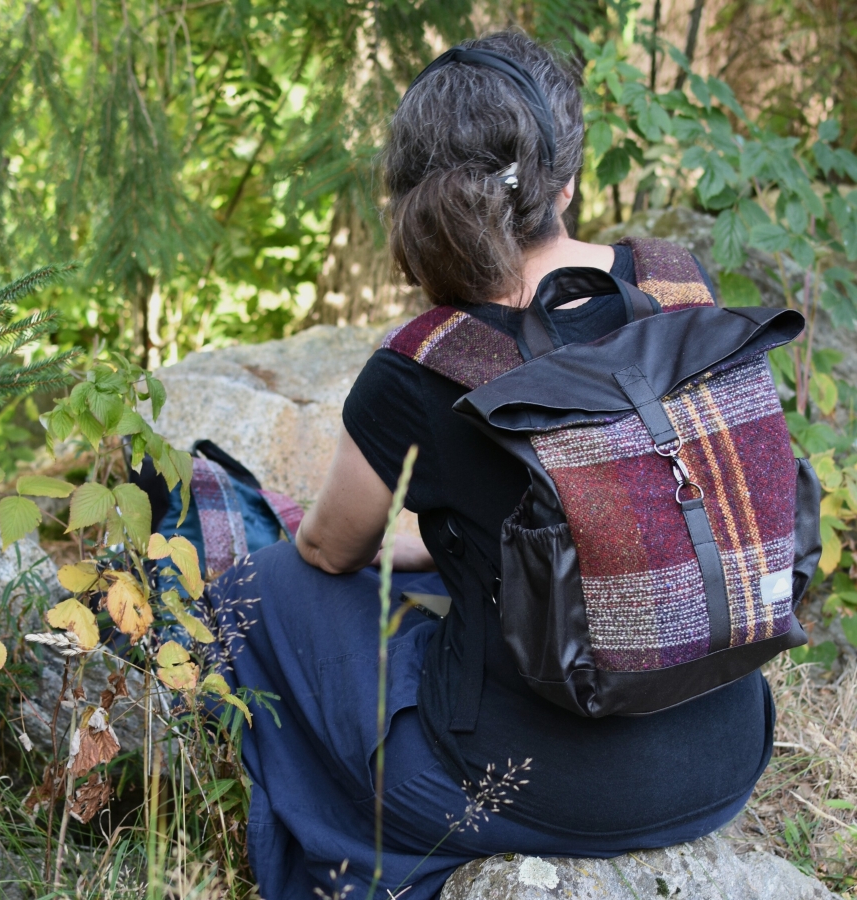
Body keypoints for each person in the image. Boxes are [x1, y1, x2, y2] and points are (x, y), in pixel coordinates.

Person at [204, 30, 775, 900]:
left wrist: (393, 544)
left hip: (533, 790)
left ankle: (344, 847)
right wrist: (435, 548)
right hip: (729, 756)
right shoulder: (677, 286)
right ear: (566, 178)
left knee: (270, 583)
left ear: (416, 198)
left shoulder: (424, 363)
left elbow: (330, 550)